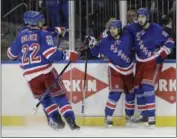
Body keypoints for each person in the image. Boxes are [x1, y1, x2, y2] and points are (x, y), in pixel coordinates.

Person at [7, 11, 80, 131]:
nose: (42, 23)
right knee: (60, 97)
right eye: (40, 21)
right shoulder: (44, 34)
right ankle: (71, 122)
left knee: (46, 101)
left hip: (30, 77)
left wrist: (56, 30)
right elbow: (51, 54)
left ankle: (57, 123)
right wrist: (68, 55)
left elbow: (10, 54)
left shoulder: (21, 35)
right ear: (34, 22)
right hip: (46, 72)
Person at [125, 8, 175, 128]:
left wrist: (163, 54)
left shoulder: (156, 28)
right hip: (140, 62)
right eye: (139, 17)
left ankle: (151, 118)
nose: (140, 19)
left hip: (153, 61)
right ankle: (144, 115)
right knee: (138, 87)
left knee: (147, 87)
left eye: (143, 17)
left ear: (147, 17)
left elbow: (170, 41)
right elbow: (121, 31)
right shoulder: (134, 27)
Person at [81, 20, 136, 128]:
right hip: (114, 69)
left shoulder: (128, 36)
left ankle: (129, 117)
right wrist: (92, 45)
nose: (112, 30)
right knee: (115, 93)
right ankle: (108, 117)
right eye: (110, 28)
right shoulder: (105, 41)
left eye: (114, 28)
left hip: (129, 69)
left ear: (119, 29)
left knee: (130, 94)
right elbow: (96, 53)